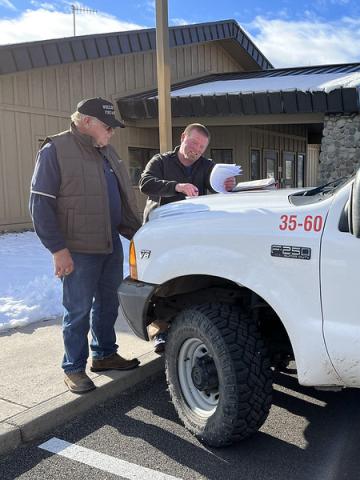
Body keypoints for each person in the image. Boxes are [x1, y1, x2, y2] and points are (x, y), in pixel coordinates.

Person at [29, 97, 142, 394]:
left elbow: (121, 198)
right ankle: (73, 368)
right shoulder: (56, 150)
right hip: (77, 248)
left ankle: (104, 355)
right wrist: (58, 249)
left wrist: (139, 234)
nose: (113, 132)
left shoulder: (105, 151)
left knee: (108, 304)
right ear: (87, 122)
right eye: (108, 126)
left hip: (109, 243)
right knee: (77, 310)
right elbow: (40, 203)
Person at [139, 123, 235, 352]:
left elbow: (218, 189)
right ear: (183, 137)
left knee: (186, 280)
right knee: (159, 282)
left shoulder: (208, 166)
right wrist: (177, 187)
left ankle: (182, 323)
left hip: (191, 235)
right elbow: (145, 184)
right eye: (193, 143)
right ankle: (159, 329)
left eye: (202, 147)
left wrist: (229, 185)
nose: (196, 150)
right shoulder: (161, 161)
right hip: (160, 233)